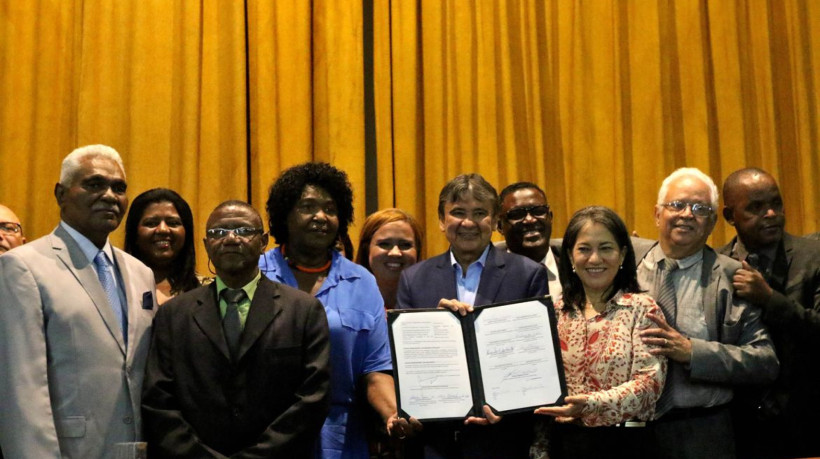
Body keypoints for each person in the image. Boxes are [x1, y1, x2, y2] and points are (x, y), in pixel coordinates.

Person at [0, 145, 157, 458]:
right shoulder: (24, 267)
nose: (111, 195)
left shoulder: (141, 273)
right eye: (95, 184)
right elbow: (22, 389)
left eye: (119, 187)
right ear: (61, 194)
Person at [142, 201, 331, 457]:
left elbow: (313, 399)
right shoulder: (173, 315)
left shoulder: (304, 311)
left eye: (243, 231)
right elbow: (158, 401)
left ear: (263, 241)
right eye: (219, 233)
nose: (231, 239)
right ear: (206, 244)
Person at [259, 162, 413, 459]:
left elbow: (375, 369)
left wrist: (393, 414)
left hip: (340, 439)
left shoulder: (362, 281)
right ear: (284, 215)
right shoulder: (257, 274)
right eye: (308, 206)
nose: (321, 217)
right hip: (266, 434)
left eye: (330, 209)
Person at [397, 173, 548, 459]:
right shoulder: (414, 279)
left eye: (479, 213)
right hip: (434, 443)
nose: (468, 223)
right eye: (458, 213)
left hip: (503, 441)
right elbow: (406, 363)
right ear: (442, 221)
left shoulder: (527, 274)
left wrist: (505, 407)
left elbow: (533, 361)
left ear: (494, 222)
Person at [635, 167, 778, 458]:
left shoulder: (732, 277)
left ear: (712, 221)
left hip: (704, 432)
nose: (687, 214)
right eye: (676, 204)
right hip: (635, 432)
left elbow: (765, 361)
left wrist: (692, 352)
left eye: (700, 208)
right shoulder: (628, 269)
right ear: (657, 213)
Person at [532, 206, 667, 459]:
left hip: (627, 445)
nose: (595, 259)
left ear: (623, 254)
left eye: (606, 248)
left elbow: (650, 384)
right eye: (584, 249)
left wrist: (591, 404)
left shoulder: (643, 309)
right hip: (565, 445)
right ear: (571, 257)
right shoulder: (554, 312)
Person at [718, 167, 820, 458]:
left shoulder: (813, 256)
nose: (772, 214)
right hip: (738, 429)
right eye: (756, 207)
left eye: (776, 203)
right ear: (729, 217)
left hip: (806, 421)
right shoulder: (713, 266)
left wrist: (769, 299)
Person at [124, 188, 201, 304]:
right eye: (151, 223)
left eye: (173, 223)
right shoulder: (115, 286)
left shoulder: (208, 291)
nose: (163, 229)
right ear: (134, 234)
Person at [496, 182, 562, 298]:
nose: (530, 220)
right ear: (500, 226)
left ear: (550, 217)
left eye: (538, 211)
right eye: (517, 214)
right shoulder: (487, 272)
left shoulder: (574, 264)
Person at [356, 208, 424, 310]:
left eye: (405, 245)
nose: (395, 253)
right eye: (384, 244)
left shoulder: (433, 298)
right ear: (366, 249)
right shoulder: (345, 299)